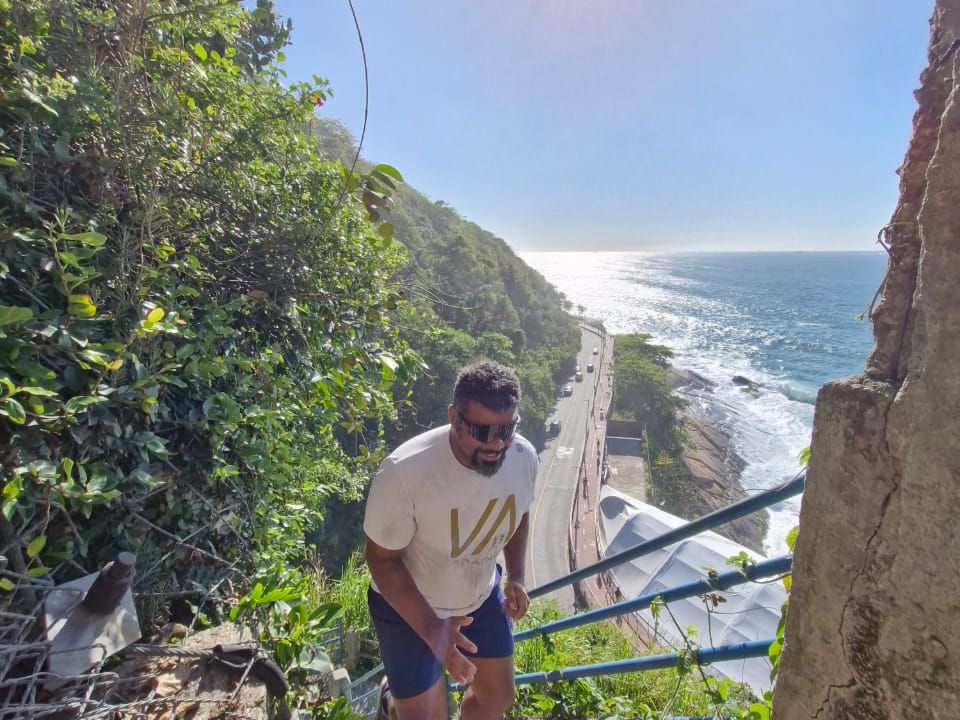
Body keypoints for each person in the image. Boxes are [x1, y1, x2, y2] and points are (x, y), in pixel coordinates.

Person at [364, 361, 538, 720]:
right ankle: (390, 698)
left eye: (506, 429)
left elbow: (519, 511)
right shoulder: (405, 472)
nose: (496, 444)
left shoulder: (522, 458)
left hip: (479, 596)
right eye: (481, 430)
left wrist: (516, 576)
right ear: (453, 417)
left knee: (497, 698)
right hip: (409, 607)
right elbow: (381, 558)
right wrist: (434, 632)